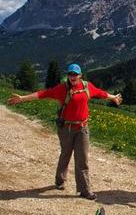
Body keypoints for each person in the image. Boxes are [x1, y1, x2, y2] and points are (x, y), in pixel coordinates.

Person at [7, 63, 122, 201]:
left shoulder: (87, 87)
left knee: (82, 159)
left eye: (75, 74)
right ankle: (60, 180)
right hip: (66, 129)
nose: (72, 77)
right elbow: (43, 94)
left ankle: (85, 190)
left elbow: (100, 93)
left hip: (82, 128)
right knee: (65, 154)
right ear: (67, 76)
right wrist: (23, 98)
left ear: (80, 76)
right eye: (70, 74)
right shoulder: (62, 89)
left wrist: (113, 97)